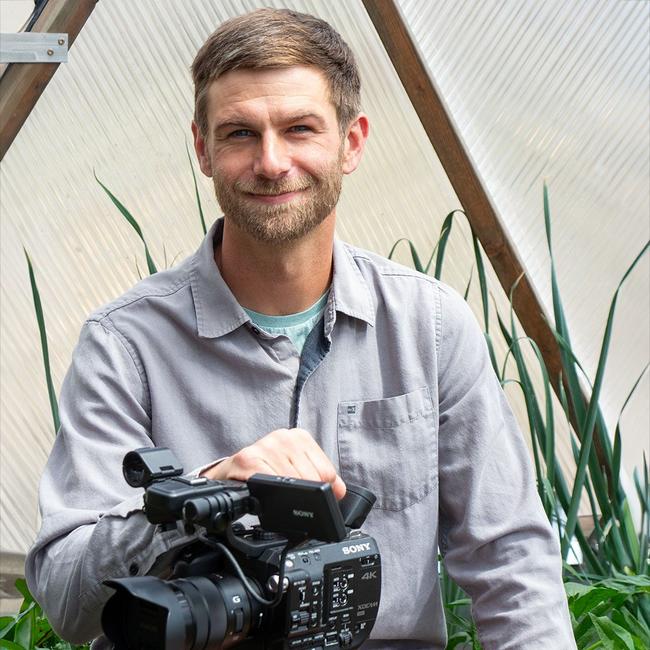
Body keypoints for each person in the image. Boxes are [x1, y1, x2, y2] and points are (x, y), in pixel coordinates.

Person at [26, 8, 576, 649]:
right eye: (238, 134)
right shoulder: (126, 345)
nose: (271, 161)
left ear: (352, 142)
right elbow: (67, 597)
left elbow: (509, 560)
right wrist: (201, 496)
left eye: (299, 129)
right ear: (202, 149)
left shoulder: (428, 328)